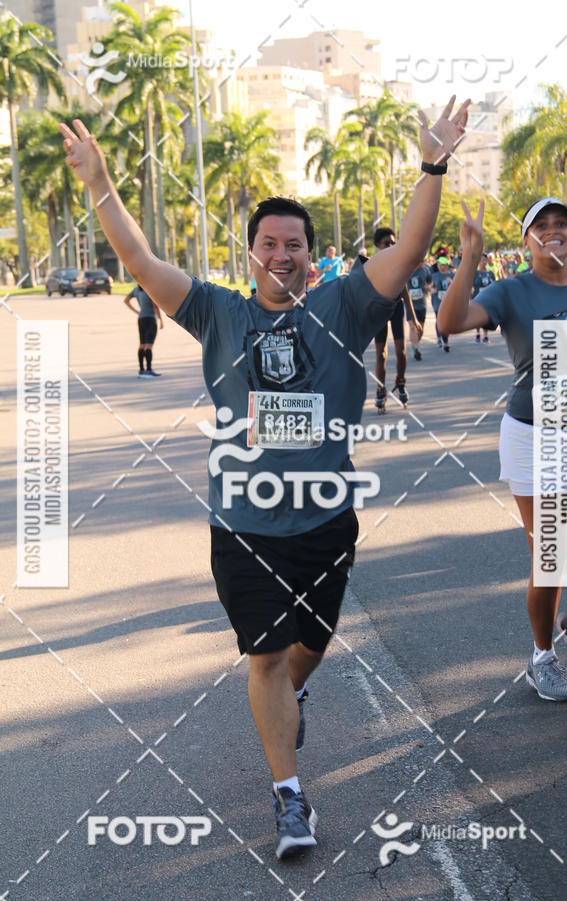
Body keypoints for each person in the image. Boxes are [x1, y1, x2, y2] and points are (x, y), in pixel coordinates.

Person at [58, 96, 469, 858]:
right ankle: (290, 799)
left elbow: (409, 250)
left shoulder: (345, 305)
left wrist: (432, 167)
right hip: (243, 525)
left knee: (308, 645)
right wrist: (100, 189)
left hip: (324, 519)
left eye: (295, 244)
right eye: (269, 243)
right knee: (267, 655)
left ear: (311, 254)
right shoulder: (217, 313)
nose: (282, 254)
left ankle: (294, 693)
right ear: (251, 253)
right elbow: (144, 263)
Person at [438, 196, 567, 702]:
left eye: (561, 225)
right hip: (538, 438)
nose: (553, 233)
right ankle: (542, 657)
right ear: (528, 239)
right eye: (542, 227)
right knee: (554, 561)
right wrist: (470, 255)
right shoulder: (511, 292)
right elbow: (449, 322)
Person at [371, 227, 419, 410]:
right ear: (378, 245)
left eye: (393, 242)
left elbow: (405, 290)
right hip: (379, 311)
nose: (390, 246)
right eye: (386, 243)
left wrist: (413, 318)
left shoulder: (400, 263)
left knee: (401, 351)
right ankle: (380, 389)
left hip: (396, 308)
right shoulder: (372, 264)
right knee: (381, 353)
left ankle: (401, 382)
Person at [123, 283, 163, 378]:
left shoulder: (136, 289)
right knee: (149, 345)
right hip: (150, 318)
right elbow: (155, 306)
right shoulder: (149, 289)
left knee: (142, 344)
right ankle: (148, 370)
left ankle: (141, 370)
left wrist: (137, 311)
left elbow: (126, 300)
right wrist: (161, 319)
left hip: (141, 319)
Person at [405, 259, 432, 360]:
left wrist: (428, 287)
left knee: (420, 329)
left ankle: (415, 343)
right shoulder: (406, 270)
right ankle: (416, 349)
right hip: (410, 304)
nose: (421, 262)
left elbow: (430, 282)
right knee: (412, 326)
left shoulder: (425, 270)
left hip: (421, 304)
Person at [430, 256, 454, 351]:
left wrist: (451, 282)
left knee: (447, 320)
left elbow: (457, 287)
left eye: (443, 265)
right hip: (437, 300)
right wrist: (432, 290)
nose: (440, 267)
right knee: (438, 318)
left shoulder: (452, 275)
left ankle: (445, 338)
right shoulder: (435, 275)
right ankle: (440, 339)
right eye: (439, 265)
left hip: (449, 302)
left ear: (446, 266)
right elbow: (430, 286)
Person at [471, 253, 495, 343]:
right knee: (477, 317)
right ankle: (478, 333)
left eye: (485, 260)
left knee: (486, 317)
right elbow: (470, 284)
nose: (484, 262)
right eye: (482, 260)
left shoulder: (490, 273)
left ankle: (485, 335)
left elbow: (494, 284)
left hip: (488, 299)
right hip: (477, 297)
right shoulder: (475, 273)